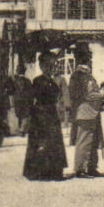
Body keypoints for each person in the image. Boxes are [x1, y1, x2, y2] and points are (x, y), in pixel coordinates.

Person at [22, 52, 68, 181]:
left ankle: (54, 171)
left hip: (51, 113)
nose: (50, 68)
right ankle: (40, 172)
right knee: (42, 142)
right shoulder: (38, 81)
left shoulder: (53, 81)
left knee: (54, 142)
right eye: (48, 65)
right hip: (40, 114)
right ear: (42, 66)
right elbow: (33, 99)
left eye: (52, 65)